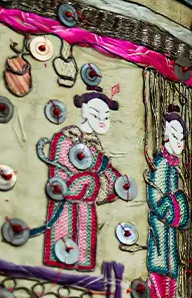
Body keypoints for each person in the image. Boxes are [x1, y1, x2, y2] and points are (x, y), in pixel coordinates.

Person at [33, 88, 125, 271]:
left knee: (84, 247)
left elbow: (113, 181)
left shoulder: (96, 148)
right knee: (62, 242)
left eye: (106, 117)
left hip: (86, 209)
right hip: (65, 208)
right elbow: (64, 183)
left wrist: (94, 180)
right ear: (84, 111)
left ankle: (81, 263)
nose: (102, 121)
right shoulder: (67, 139)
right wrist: (92, 180)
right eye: (96, 114)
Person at [143, 107, 191, 298]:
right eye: (174, 136)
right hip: (161, 233)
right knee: (160, 272)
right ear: (164, 136)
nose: (179, 143)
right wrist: (178, 203)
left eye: (182, 138)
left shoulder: (174, 168)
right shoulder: (161, 165)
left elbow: (179, 207)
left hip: (169, 235)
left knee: (170, 275)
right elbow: (157, 201)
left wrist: (179, 206)